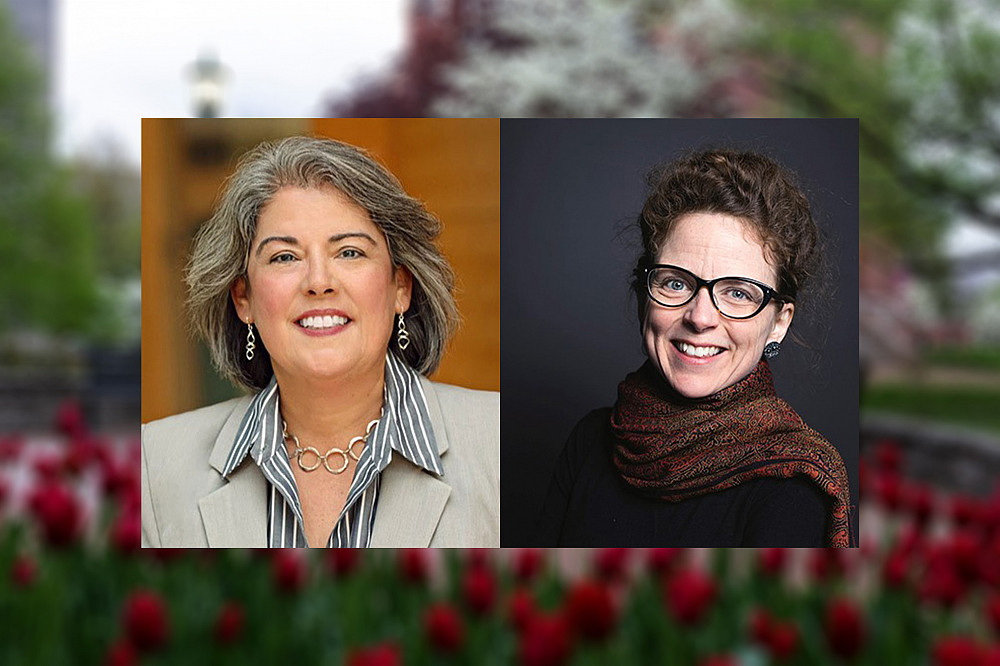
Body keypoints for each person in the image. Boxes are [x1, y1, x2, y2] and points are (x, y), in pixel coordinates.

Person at [141, 136, 499, 547]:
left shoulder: (502, 442)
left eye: (348, 253)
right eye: (284, 257)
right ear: (244, 299)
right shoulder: (154, 463)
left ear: (400, 286)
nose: (318, 283)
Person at [537, 148, 853, 547]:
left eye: (738, 292)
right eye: (676, 283)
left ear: (779, 322)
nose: (700, 317)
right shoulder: (589, 443)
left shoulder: (792, 486)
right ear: (643, 296)